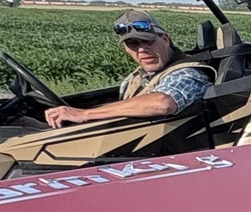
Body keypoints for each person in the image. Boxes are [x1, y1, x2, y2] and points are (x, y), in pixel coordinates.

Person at [43, 10, 214, 128]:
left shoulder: (188, 73)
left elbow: (163, 103)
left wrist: (85, 114)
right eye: (133, 44)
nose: (141, 50)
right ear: (126, 49)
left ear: (165, 40)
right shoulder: (137, 77)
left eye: (148, 41)